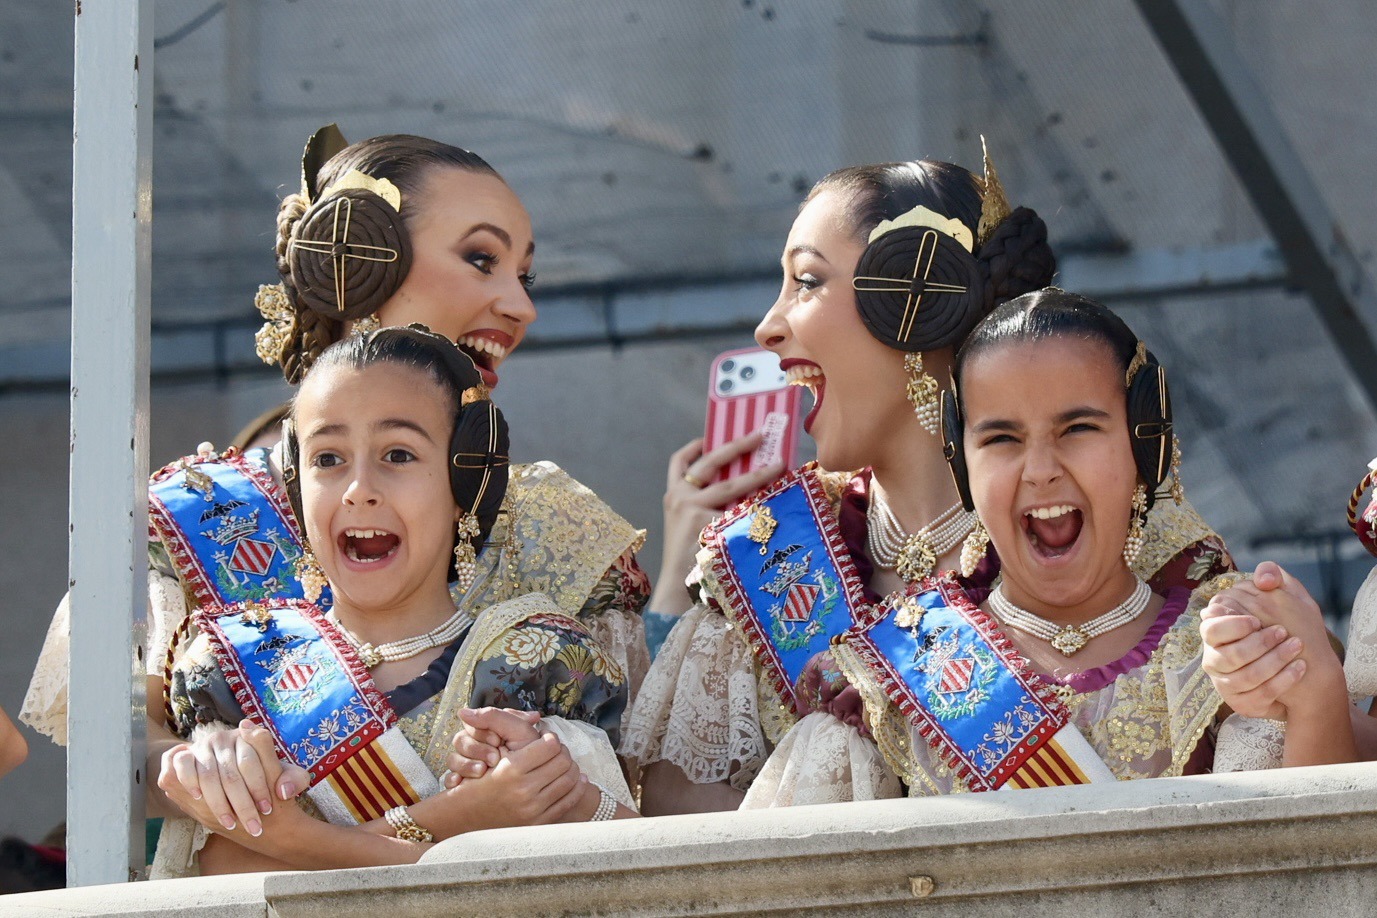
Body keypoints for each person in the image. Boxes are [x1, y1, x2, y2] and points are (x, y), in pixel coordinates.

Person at [20, 125, 648, 846]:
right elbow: (110, 765)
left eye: (524, 276)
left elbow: (624, 778)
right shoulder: (193, 516)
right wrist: (204, 768)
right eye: (482, 260)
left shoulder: (557, 523)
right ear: (356, 262)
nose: (520, 306)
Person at [619, 151, 1234, 814]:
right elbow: (687, 850)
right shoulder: (763, 559)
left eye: (806, 282)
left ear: (910, 304)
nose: (768, 327)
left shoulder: (1129, 543)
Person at [803, 289, 1348, 801]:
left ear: (1144, 447)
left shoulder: (1232, 652)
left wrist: (1313, 695)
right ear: (962, 465)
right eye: (1001, 438)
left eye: (1078, 429)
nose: (1040, 470)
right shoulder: (893, 676)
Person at [154, 326, 635, 876]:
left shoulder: (534, 660)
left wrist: (289, 837)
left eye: (398, 454)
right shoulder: (232, 670)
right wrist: (463, 816)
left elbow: (632, 872)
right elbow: (223, 882)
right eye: (327, 458)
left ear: (464, 484)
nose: (358, 488)